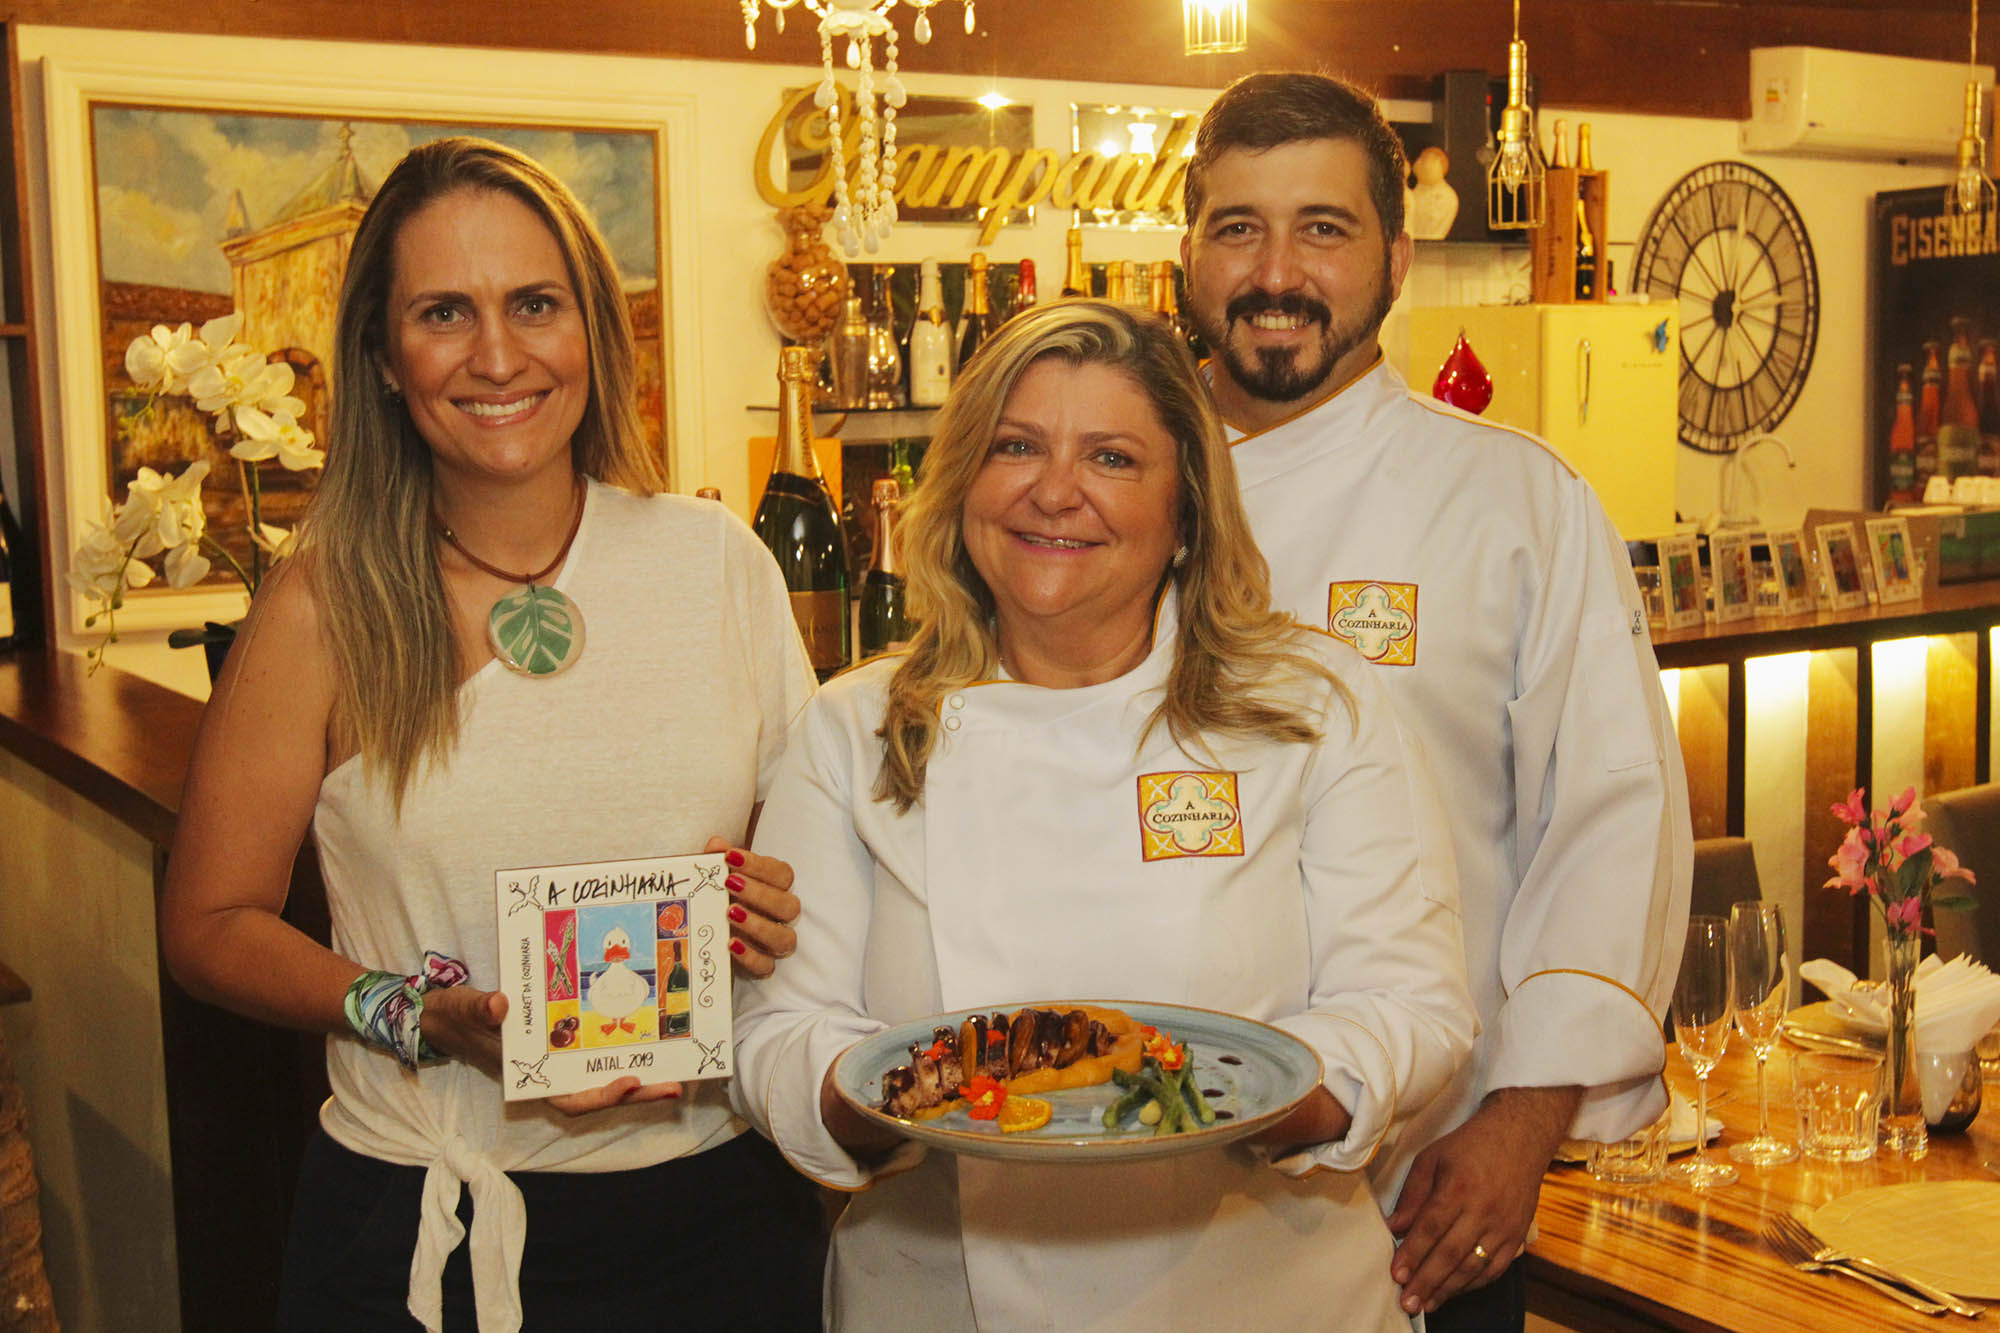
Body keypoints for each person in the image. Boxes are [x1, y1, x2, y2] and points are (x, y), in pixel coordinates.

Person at [158, 138, 824, 1331]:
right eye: (443, 313)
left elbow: (796, 871)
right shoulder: (323, 604)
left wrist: (774, 909)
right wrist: (422, 1015)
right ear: (382, 355)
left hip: (718, 1214)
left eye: (533, 304)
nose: (498, 354)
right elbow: (208, 926)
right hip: (427, 1227)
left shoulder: (716, 562)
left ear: (591, 331)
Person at [731, 300, 1475, 1330]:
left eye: (1112, 458)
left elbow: (1412, 1004)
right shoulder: (852, 728)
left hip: (1266, 1293)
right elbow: (775, 1038)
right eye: (1015, 446)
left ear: (1187, 512)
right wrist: (895, 1096)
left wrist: (1252, 1101)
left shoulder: (1313, 707)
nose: (1053, 489)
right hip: (938, 1297)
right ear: (963, 485)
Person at [1179, 73, 1694, 1328]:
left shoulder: (1513, 504)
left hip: (1423, 1192)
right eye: (1238, 228)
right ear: (1187, 255)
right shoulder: (1104, 498)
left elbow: (1611, 824)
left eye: (1322, 228)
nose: (1276, 272)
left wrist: (1521, 1125)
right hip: (1141, 1182)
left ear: (1396, 259)